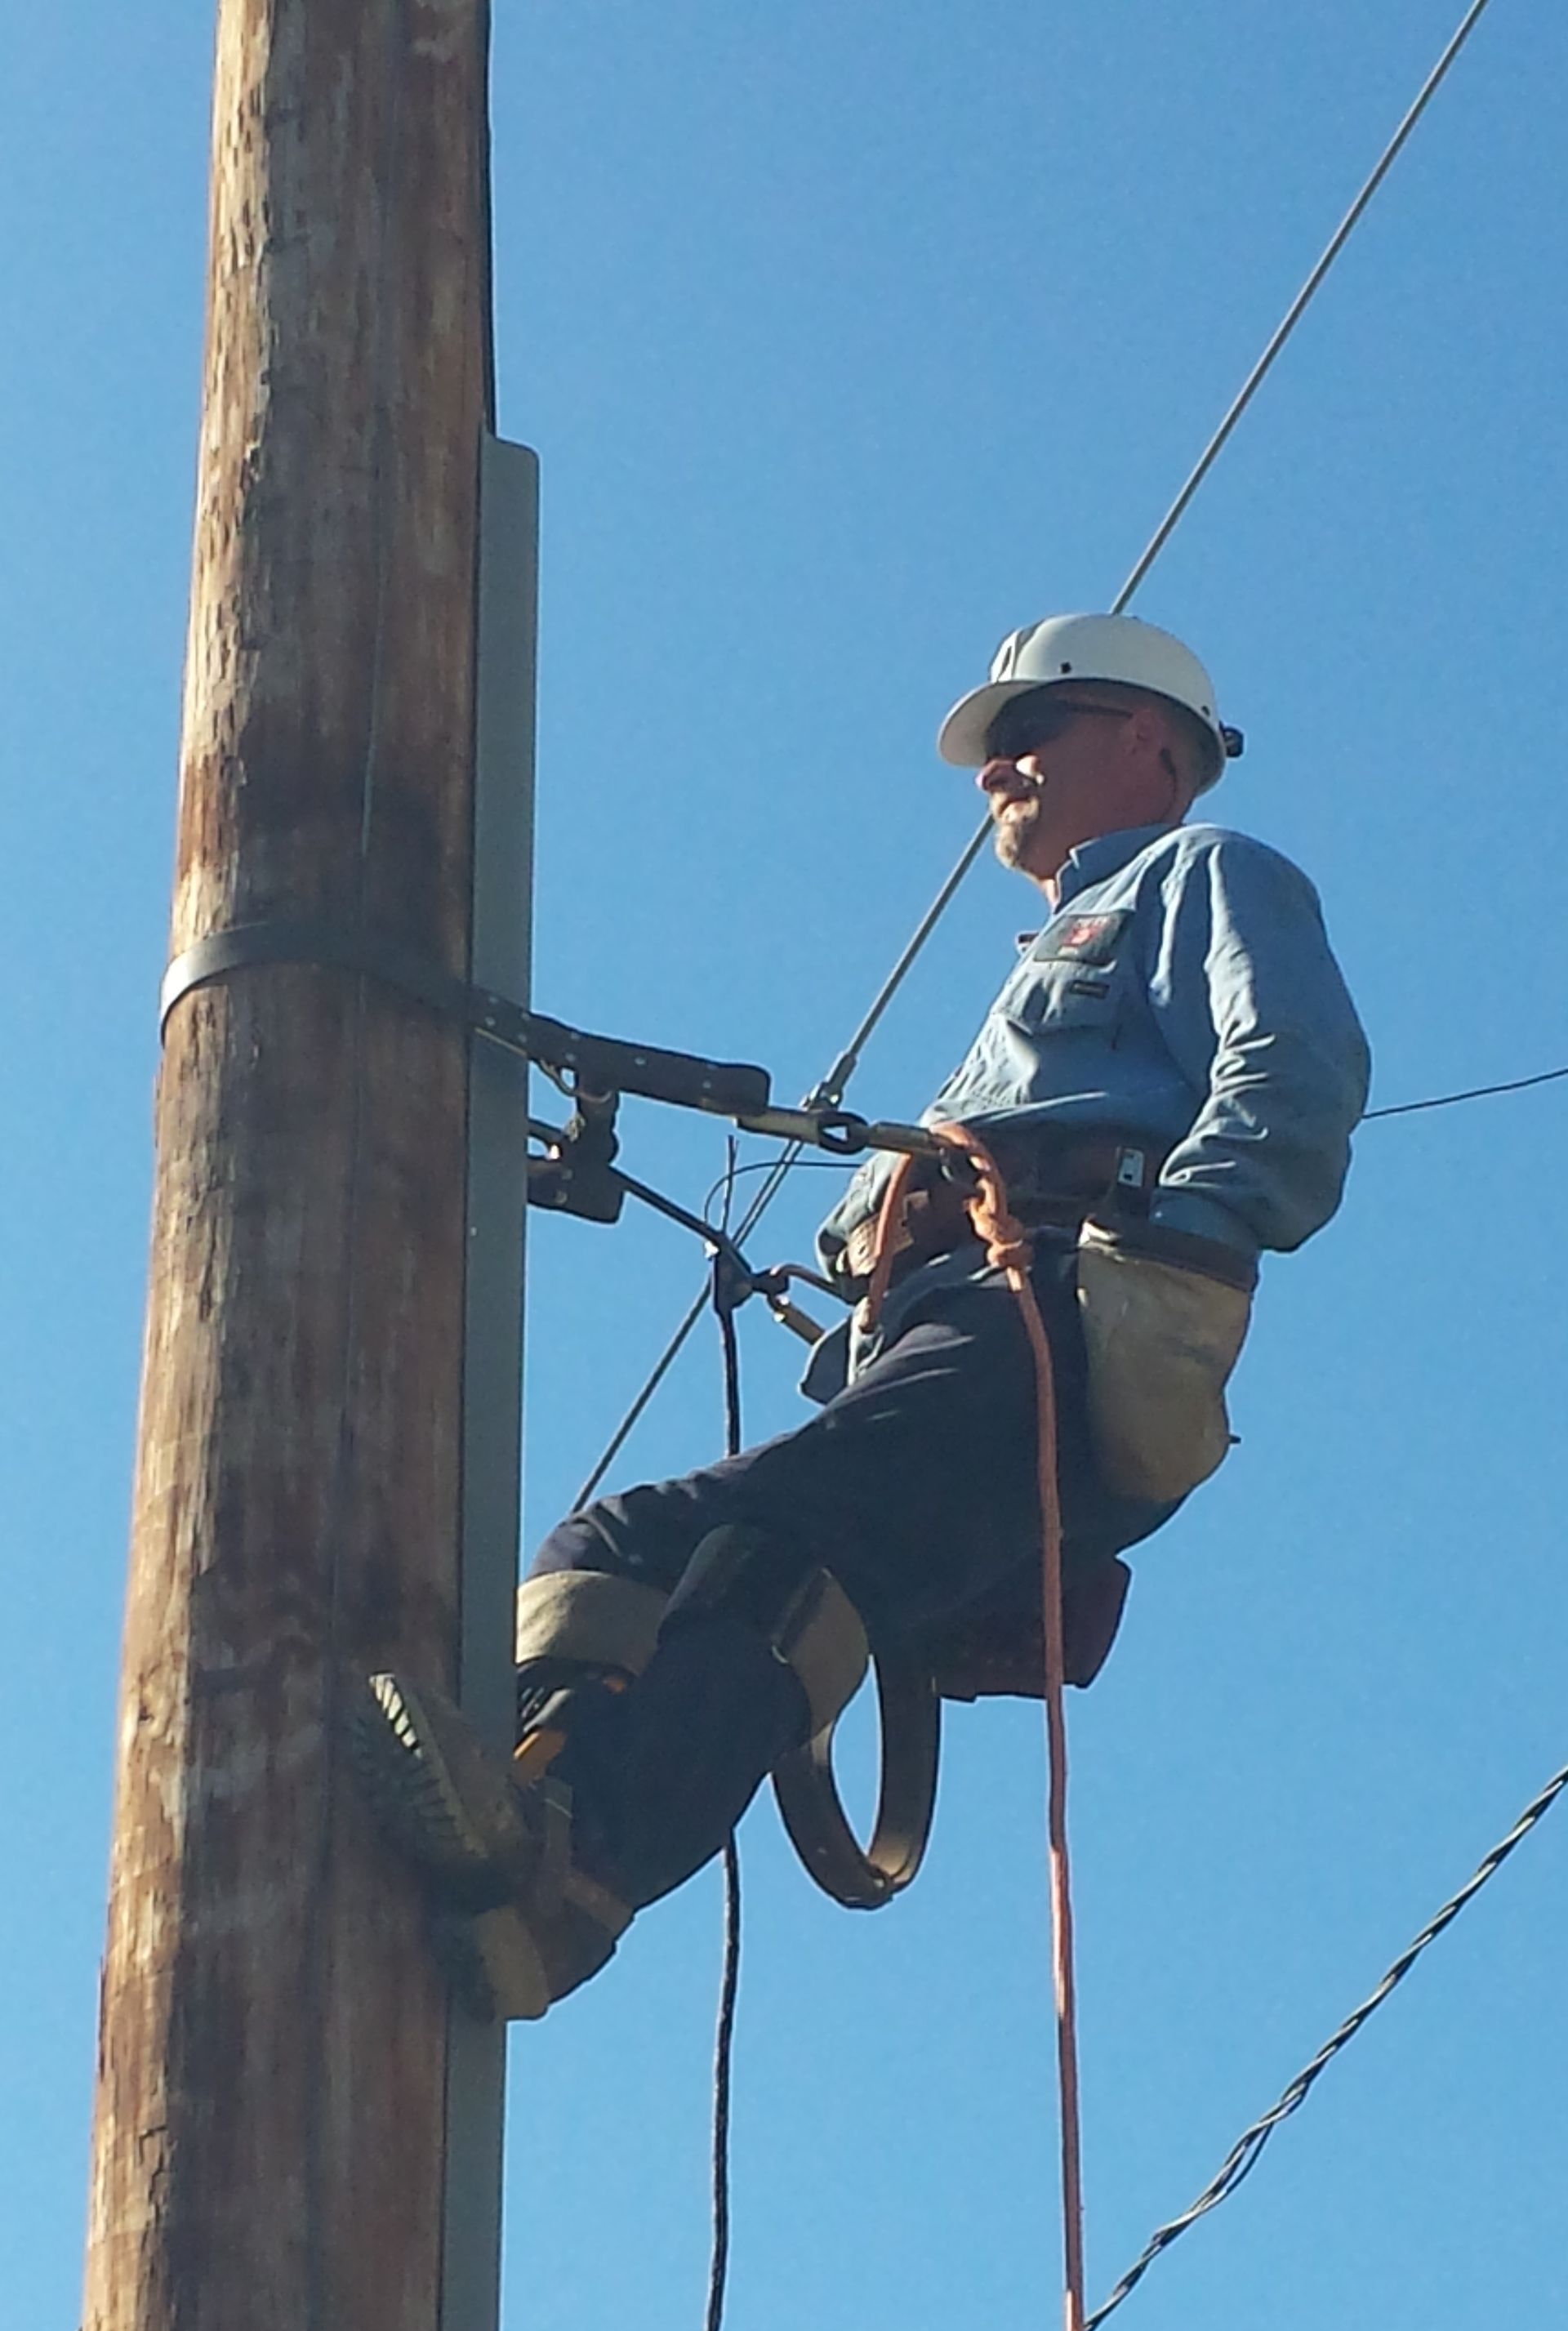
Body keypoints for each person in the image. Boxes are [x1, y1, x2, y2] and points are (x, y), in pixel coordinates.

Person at [353, 613, 1370, 2019]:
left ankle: (552, 1835)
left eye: (1026, 734)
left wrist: (1180, 1253)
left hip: (1060, 1312)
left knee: (694, 1549)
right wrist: (879, 1220)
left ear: (1146, 737)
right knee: (712, 1578)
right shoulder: (1030, 976)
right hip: (961, 1321)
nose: (994, 770)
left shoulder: (1205, 875)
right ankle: (546, 1853)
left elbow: (1295, 1066)